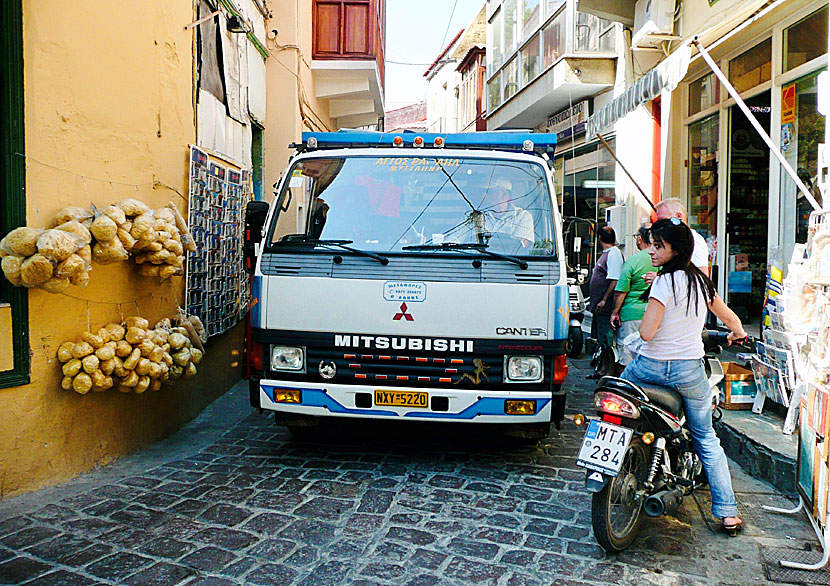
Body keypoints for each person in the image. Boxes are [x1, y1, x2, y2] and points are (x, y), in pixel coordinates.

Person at [620, 217, 747, 533]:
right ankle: (728, 513)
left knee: (619, 392)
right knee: (706, 437)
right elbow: (729, 318)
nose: (651, 251)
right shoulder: (702, 284)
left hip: (648, 368)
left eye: (658, 246)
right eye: (651, 243)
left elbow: (647, 334)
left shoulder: (663, 282)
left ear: (676, 250)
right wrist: (739, 332)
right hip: (688, 371)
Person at [610, 225, 653, 368]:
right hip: (654, 315)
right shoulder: (663, 261)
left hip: (631, 315)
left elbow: (621, 291)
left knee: (627, 356)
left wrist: (615, 312)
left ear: (640, 239)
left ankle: (627, 387)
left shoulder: (632, 261)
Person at [644, 198, 709, 284]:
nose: (661, 225)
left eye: (664, 220)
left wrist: (662, 279)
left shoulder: (694, 240)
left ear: (679, 216)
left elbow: (702, 278)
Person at [589, 225, 624, 353]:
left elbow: (615, 279)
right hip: (598, 308)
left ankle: (606, 367)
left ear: (599, 238)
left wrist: (604, 299)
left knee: (605, 339)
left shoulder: (614, 253)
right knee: (598, 338)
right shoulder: (607, 254)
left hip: (605, 307)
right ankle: (600, 368)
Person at [484, 178, 534, 246]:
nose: (484, 195)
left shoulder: (522, 216)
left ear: (505, 195)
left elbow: (523, 247)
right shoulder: (479, 216)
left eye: (489, 192)